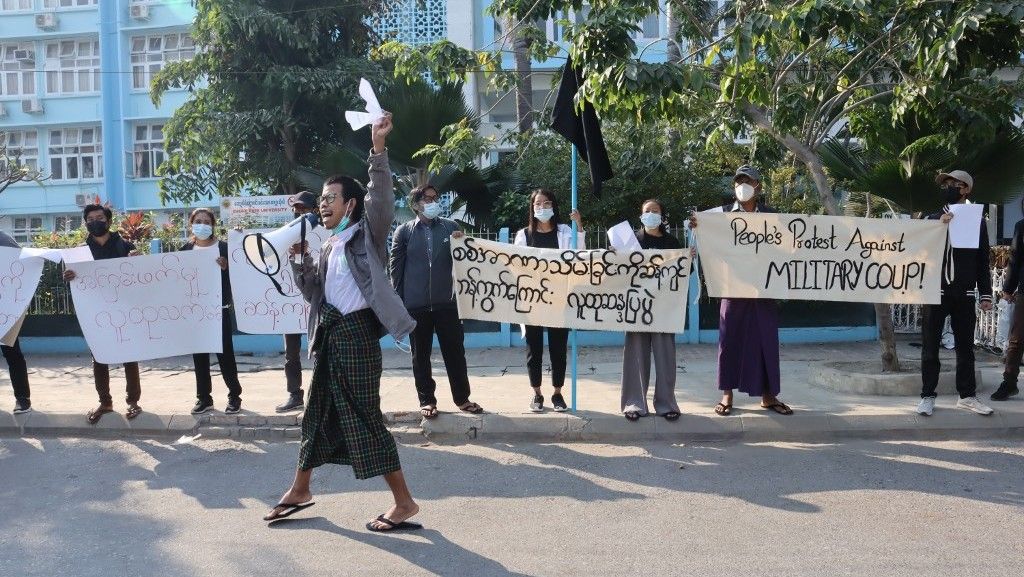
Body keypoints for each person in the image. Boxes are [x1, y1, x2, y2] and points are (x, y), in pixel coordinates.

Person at [264, 113, 422, 532]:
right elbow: (314, 294)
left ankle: (404, 502)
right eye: (321, 198)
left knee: (364, 417)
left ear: (350, 204)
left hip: (356, 337)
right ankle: (300, 489)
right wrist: (300, 262)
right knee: (316, 412)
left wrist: (378, 149)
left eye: (330, 197)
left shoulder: (368, 234)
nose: (323, 204)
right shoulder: (329, 245)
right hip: (330, 337)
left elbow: (381, 197)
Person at [691, 165, 791, 416]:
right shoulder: (720, 215)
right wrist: (697, 225)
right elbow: (700, 232)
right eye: (738, 181)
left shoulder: (772, 216)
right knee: (729, 340)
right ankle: (727, 395)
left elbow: (787, 246)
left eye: (748, 181)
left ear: (758, 186)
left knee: (766, 340)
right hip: (732, 287)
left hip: (763, 288)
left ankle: (769, 396)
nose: (742, 186)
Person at [389, 185, 482, 419]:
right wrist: (398, 303)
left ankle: (462, 399)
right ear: (415, 204)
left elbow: (465, 261)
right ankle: (427, 401)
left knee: (455, 353)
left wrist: (462, 242)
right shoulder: (404, 232)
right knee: (420, 356)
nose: (433, 202)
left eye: (435, 198)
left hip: (447, 303)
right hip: (415, 306)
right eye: (428, 199)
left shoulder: (450, 227)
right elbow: (396, 269)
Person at [917, 170, 994, 416]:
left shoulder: (976, 221)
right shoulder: (931, 217)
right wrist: (936, 224)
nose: (949, 187)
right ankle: (927, 395)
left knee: (965, 348)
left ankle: (967, 396)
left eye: (955, 184)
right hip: (935, 291)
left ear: (966, 189)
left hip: (964, 291)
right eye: (946, 184)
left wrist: (985, 293)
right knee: (930, 347)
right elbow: (915, 245)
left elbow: (982, 259)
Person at [63, 204, 144, 424]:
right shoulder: (79, 252)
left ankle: (133, 402)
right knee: (99, 358)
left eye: (99, 217)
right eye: (90, 219)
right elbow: (75, 283)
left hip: (124, 309)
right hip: (95, 312)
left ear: (108, 221)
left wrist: (139, 261)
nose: (95, 222)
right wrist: (69, 276)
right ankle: (105, 402)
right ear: (85, 223)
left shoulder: (125, 246)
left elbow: (139, 277)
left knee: (129, 356)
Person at [513, 188, 584, 413]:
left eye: (546, 203)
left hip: (560, 300)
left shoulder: (566, 231)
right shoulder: (524, 235)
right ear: (532, 208)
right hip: (533, 300)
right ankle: (537, 394)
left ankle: (557, 393)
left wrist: (579, 226)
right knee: (533, 349)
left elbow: (580, 257)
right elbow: (515, 265)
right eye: (538, 204)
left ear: (553, 206)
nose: (542, 207)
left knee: (558, 349)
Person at [620, 199, 682, 421]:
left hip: (664, 308)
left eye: (655, 211)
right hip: (637, 307)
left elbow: (683, 272)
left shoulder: (672, 242)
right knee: (635, 356)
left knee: (665, 356)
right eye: (647, 211)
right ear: (641, 215)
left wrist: (689, 258)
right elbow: (619, 271)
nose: (651, 214)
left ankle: (667, 404)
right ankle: (634, 403)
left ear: (662, 216)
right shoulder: (631, 241)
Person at [181, 208, 242, 415]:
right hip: (195, 312)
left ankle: (234, 395)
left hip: (219, 310)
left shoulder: (224, 248)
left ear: (213, 225)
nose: (202, 225)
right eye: (198, 221)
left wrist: (226, 268)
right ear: (191, 224)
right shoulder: (185, 250)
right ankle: (204, 398)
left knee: (225, 355)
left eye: (207, 222)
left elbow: (239, 276)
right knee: (199, 357)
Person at [277, 190, 317, 413]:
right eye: (296, 209)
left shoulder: (324, 233)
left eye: (304, 209)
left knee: (320, 352)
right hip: (290, 307)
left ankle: (320, 396)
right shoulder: (284, 234)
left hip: (316, 303)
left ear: (314, 210)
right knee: (291, 355)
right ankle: (294, 394)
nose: (299, 213)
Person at [995, 199, 1024, 402]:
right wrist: (1008, 289)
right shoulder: (1021, 226)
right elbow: (1015, 259)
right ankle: (1009, 382)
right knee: (1016, 339)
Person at [0, 230, 31, 414]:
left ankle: (22, 398)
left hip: (5, 309)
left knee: (12, 353)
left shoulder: (4, 240)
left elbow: (22, 266)